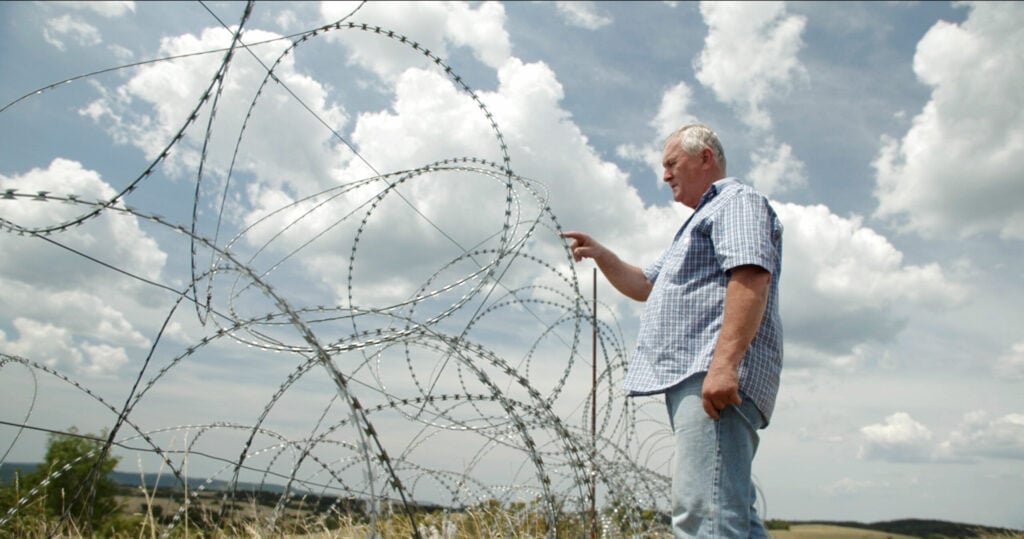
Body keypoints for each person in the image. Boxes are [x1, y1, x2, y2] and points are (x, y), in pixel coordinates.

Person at [562, 123, 783, 538]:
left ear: (705, 159)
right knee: (730, 511)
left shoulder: (734, 201)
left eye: (671, 163)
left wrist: (723, 366)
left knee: (704, 515)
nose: (664, 176)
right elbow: (644, 285)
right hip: (699, 375)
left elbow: (751, 275)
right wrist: (602, 254)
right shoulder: (698, 223)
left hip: (710, 373)